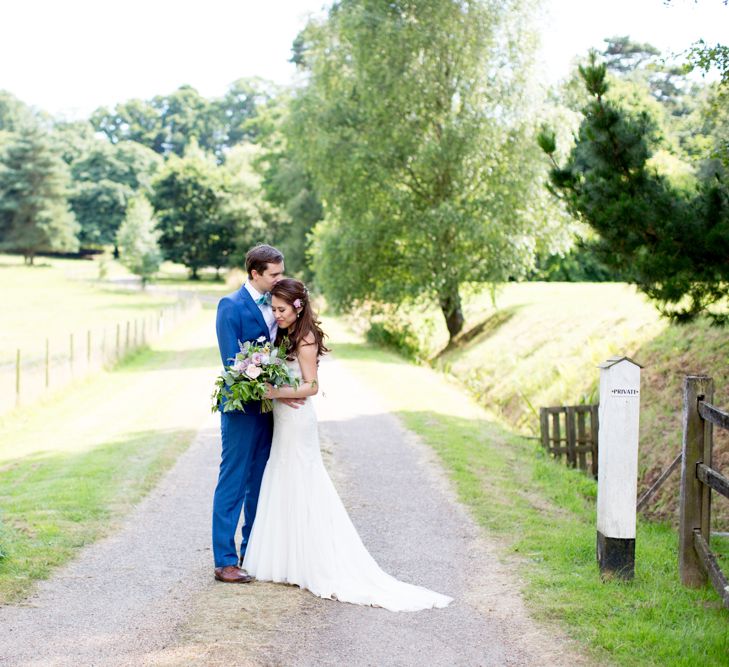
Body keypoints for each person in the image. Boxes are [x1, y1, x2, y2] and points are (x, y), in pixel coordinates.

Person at [243, 278, 452, 611]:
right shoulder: (283, 336)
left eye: (281, 309)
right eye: (274, 308)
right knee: (283, 478)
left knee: (303, 480)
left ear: (297, 308)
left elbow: (311, 387)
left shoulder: (306, 338)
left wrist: (275, 393)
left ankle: (313, 560)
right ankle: (286, 560)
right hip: (283, 419)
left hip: (297, 421)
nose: (276, 314)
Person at [212, 244, 304, 584]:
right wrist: (263, 381)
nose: (280, 278)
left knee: (260, 482)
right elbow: (231, 364)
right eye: (274, 274)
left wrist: (283, 391)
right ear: (255, 274)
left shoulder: (278, 307)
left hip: (271, 409)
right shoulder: (230, 306)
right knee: (233, 480)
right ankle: (225, 561)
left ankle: (253, 551)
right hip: (240, 407)